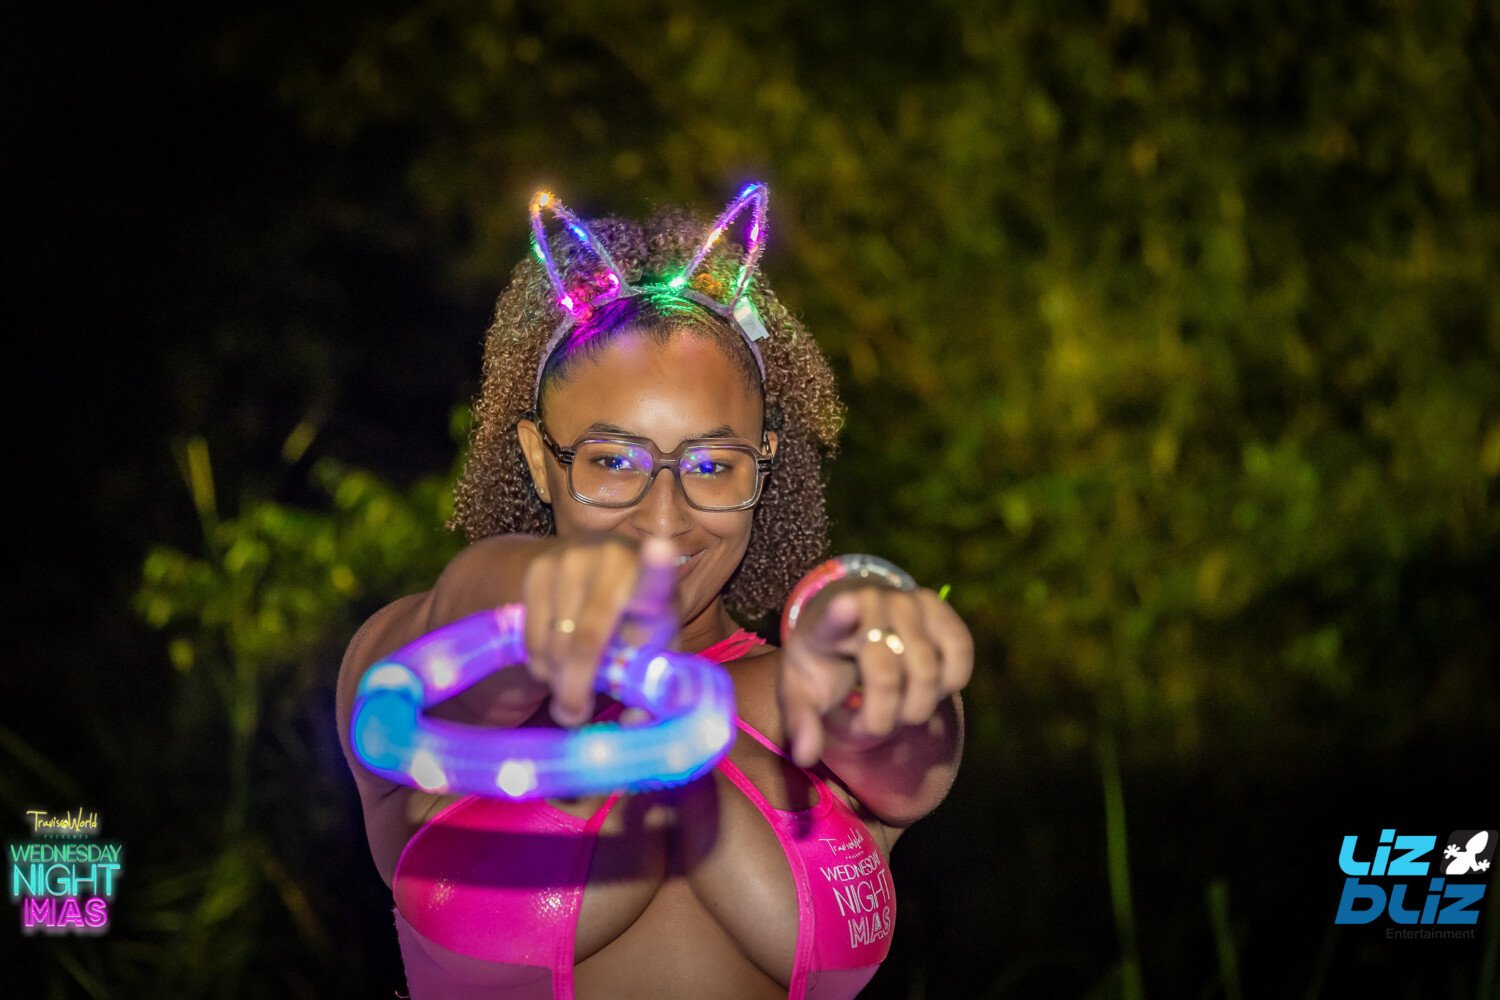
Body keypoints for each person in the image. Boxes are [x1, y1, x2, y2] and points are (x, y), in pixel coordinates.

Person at [335, 183, 972, 999]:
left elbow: (910, 743)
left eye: (711, 464)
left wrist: (886, 652)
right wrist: (528, 585)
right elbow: (459, 620)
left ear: (764, 462)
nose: (664, 516)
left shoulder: (802, 697)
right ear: (539, 459)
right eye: (612, 460)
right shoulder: (435, 676)